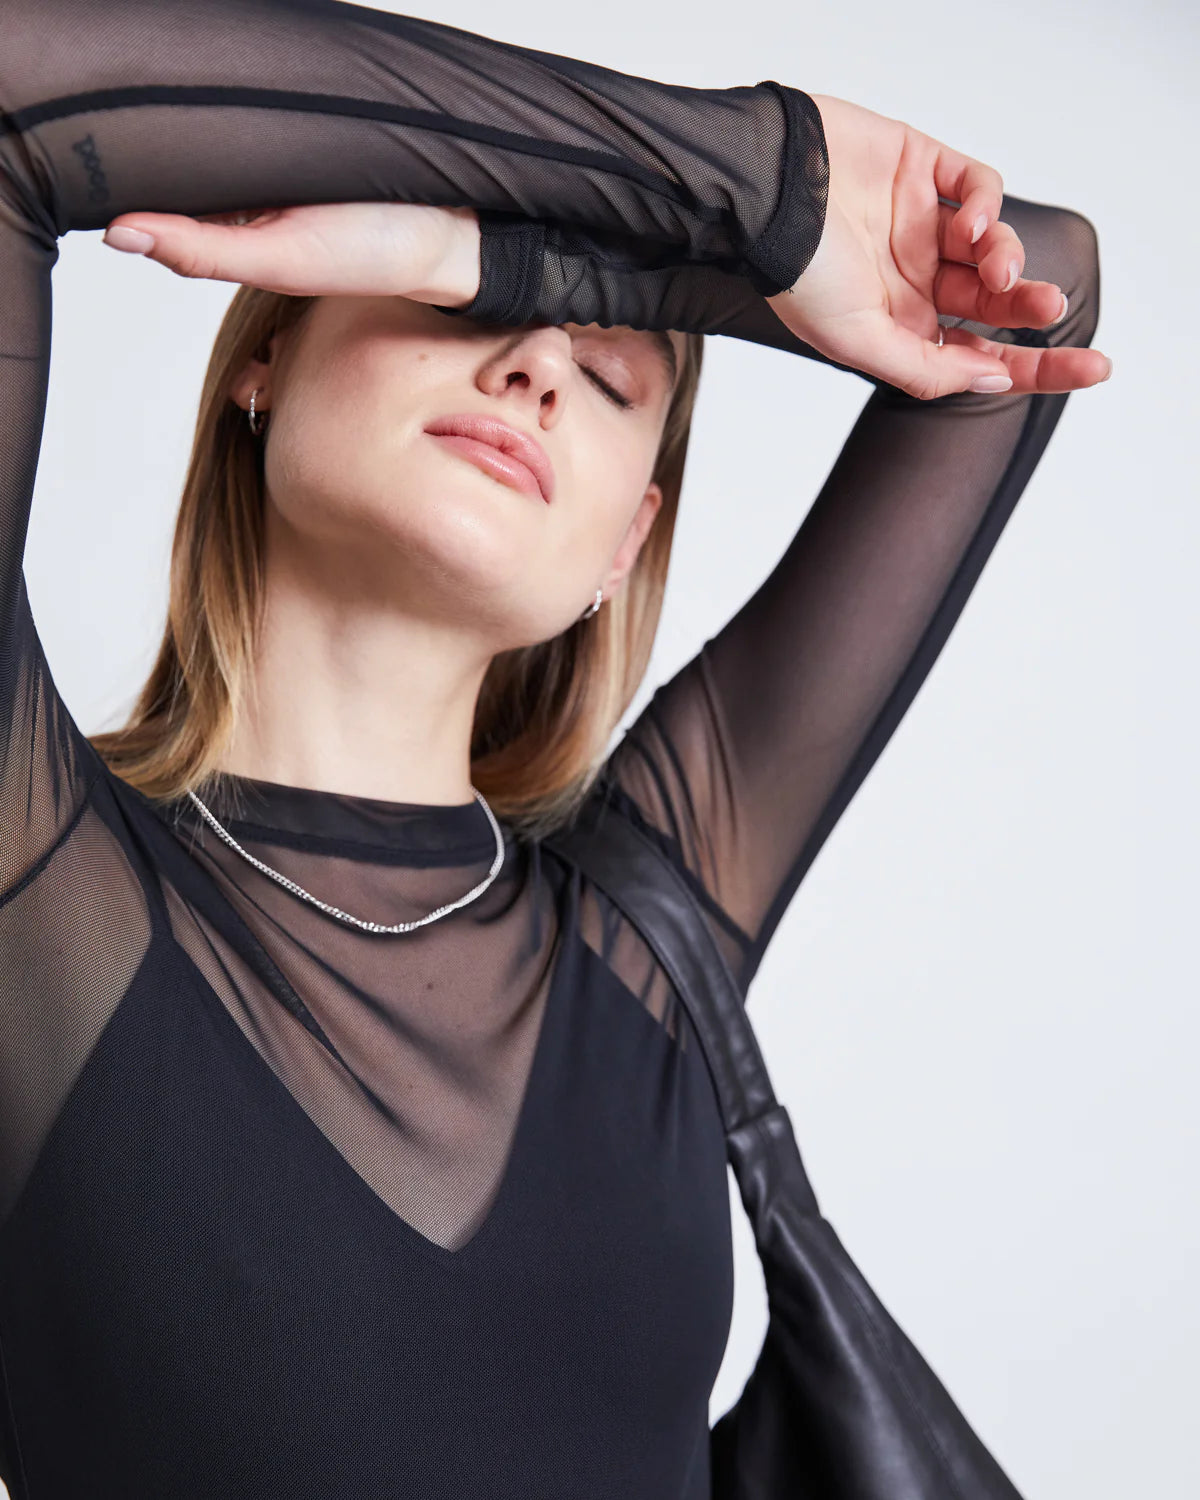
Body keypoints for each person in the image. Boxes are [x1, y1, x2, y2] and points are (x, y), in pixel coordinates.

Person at [0, 0, 1109, 1495]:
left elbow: (1038, 284)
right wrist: (756, 179)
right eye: (468, 309)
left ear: (621, 547)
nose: (534, 363)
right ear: (264, 354)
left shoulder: (642, 941)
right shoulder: (36, 884)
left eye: (610, 378)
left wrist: (500, 258)